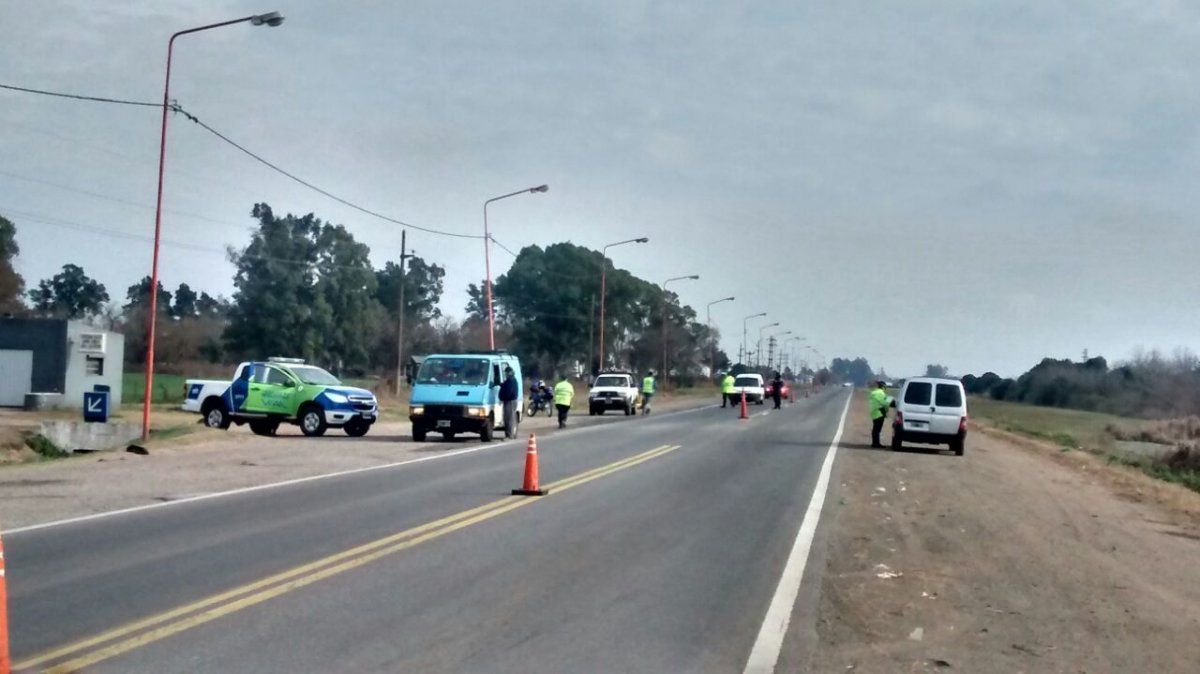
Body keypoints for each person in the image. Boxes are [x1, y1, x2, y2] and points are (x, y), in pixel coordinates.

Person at [868, 380, 894, 448]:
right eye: (885, 387)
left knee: (875, 428)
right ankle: (876, 444)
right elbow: (884, 403)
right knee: (877, 429)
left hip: (874, 412)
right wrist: (890, 400)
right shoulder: (880, 393)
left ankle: (875, 443)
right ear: (883, 387)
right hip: (879, 412)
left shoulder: (874, 392)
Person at [499, 366, 519, 439]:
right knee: (510, 418)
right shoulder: (512, 380)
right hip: (511, 401)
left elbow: (509, 392)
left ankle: (509, 435)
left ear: (509, 372)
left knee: (509, 418)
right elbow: (504, 385)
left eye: (506, 372)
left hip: (510, 401)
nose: (506, 374)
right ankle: (510, 434)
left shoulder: (510, 380)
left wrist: (503, 397)